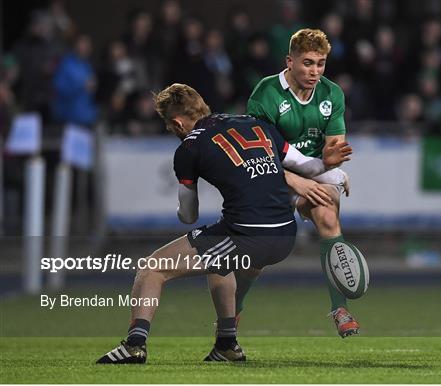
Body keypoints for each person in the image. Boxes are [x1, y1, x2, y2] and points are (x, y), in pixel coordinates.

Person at [96, 83, 352, 364]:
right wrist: (334, 175)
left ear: (178, 122)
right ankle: (227, 344)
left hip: (248, 235)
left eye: (170, 126)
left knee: (152, 268)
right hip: (284, 234)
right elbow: (306, 165)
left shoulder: (189, 147)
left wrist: (183, 208)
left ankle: (134, 345)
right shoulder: (254, 123)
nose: (173, 131)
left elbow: (189, 215)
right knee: (219, 264)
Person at [207, 28, 364, 338]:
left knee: (327, 213)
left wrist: (331, 161)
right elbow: (260, 153)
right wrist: (301, 182)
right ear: (289, 61)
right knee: (259, 256)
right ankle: (234, 309)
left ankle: (340, 307)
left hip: (312, 172)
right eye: (307, 63)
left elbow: (333, 148)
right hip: (270, 174)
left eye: (320, 63)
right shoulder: (266, 93)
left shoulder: (331, 94)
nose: (315, 71)